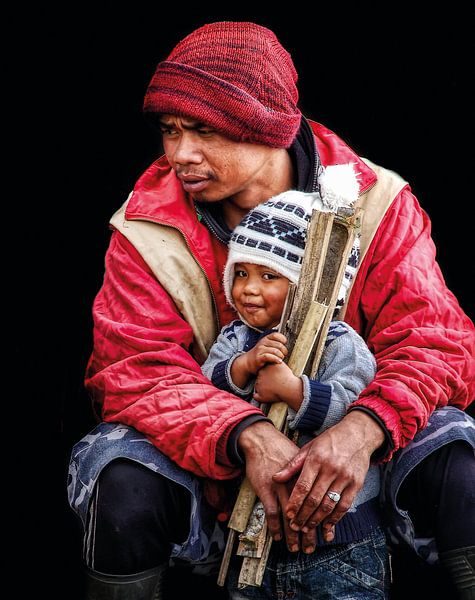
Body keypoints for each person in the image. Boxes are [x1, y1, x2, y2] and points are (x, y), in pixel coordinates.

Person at [67, 21, 475, 600]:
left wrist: (362, 430)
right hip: (215, 483)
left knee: (461, 454)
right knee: (118, 473)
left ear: (268, 128)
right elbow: (134, 370)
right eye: (170, 130)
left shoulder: (377, 203)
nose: (179, 153)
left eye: (203, 130)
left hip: (365, 481)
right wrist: (249, 434)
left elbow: (437, 342)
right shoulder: (147, 227)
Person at [201, 188, 391, 595]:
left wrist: (294, 391)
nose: (248, 289)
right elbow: (204, 386)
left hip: (342, 541)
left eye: (269, 276)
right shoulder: (236, 337)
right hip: (252, 535)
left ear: (309, 285)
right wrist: (244, 366)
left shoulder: (342, 342)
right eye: (241, 273)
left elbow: (352, 408)